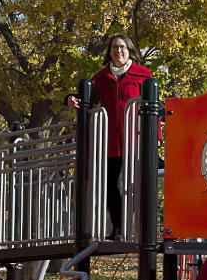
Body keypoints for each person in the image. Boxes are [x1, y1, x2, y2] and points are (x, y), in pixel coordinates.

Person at [66, 34, 153, 240]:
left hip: (135, 139)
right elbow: (88, 99)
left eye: (122, 47)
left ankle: (139, 227)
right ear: (109, 52)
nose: (118, 51)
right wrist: (70, 98)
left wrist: (153, 136)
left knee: (137, 183)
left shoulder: (143, 75)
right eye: (114, 47)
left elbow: (153, 106)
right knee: (109, 184)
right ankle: (117, 227)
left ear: (129, 50)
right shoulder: (101, 77)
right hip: (110, 142)